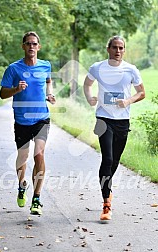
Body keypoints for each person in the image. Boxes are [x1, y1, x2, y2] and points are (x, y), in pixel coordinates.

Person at [83, 35, 145, 221]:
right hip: (103, 118)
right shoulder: (97, 67)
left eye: (121, 48)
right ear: (108, 48)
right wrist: (89, 97)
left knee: (115, 160)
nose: (118, 51)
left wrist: (127, 101)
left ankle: (106, 186)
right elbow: (87, 84)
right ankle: (106, 204)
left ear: (124, 50)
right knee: (107, 158)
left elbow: (141, 92)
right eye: (115, 47)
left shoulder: (130, 70)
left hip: (122, 121)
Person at [0, 31, 56, 215]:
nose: (31, 47)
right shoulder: (13, 69)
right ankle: (22, 185)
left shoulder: (45, 65)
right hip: (22, 120)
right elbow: (2, 94)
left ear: (38, 47)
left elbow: (48, 81)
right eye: (28, 44)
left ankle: (37, 199)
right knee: (22, 158)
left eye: (34, 44)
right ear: (23, 46)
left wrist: (49, 93)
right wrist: (16, 89)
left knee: (39, 155)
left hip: (41, 118)